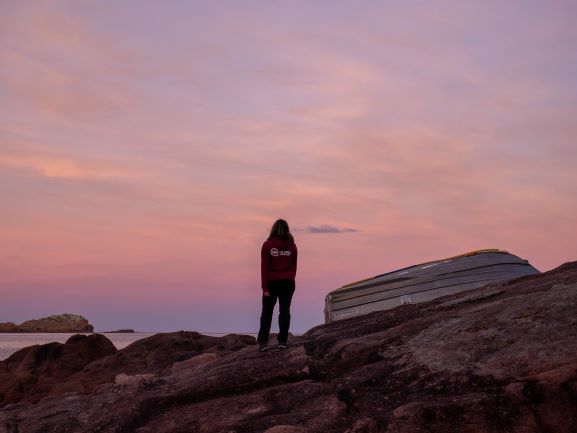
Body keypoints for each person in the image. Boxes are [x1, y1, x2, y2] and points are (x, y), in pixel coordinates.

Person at [257, 219, 298, 352]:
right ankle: (283, 341)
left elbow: (264, 267)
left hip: (272, 282)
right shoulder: (292, 246)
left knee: (267, 313)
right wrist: (291, 278)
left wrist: (265, 287)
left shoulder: (268, 245)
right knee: (284, 311)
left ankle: (263, 342)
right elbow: (294, 266)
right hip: (288, 282)